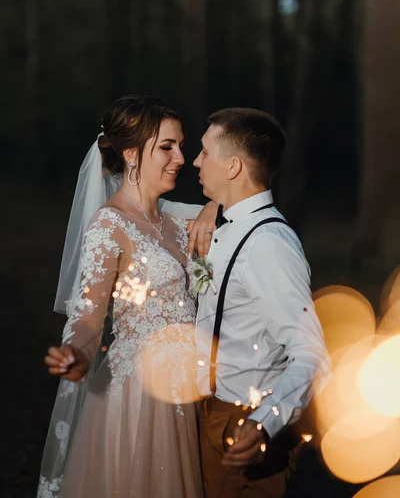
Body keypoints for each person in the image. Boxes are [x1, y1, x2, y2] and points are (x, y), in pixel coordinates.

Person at [38, 96, 216, 498]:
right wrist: (77, 354)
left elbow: (239, 204)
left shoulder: (174, 220)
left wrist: (214, 205)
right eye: (167, 147)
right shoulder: (109, 225)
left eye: (181, 146)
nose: (181, 158)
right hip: (139, 399)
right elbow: (87, 317)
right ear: (133, 154)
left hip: (183, 394)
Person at [193, 108, 330, 498]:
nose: (195, 161)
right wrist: (211, 206)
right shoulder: (227, 221)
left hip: (240, 426)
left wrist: (262, 422)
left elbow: (311, 354)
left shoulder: (268, 245)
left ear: (233, 166)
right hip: (208, 417)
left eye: (205, 152)